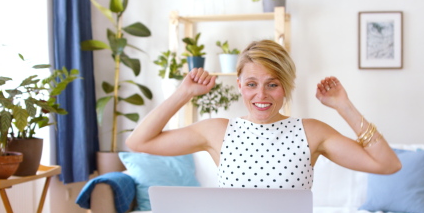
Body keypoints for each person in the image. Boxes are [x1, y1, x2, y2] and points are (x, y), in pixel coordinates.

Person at [126, 40, 401, 189]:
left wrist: (343, 106)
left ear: (286, 87)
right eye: (251, 84)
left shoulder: (312, 131)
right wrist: (182, 93)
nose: (261, 95)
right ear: (239, 86)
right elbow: (139, 142)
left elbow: (388, 165)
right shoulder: (217, 131)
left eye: (272, 84)